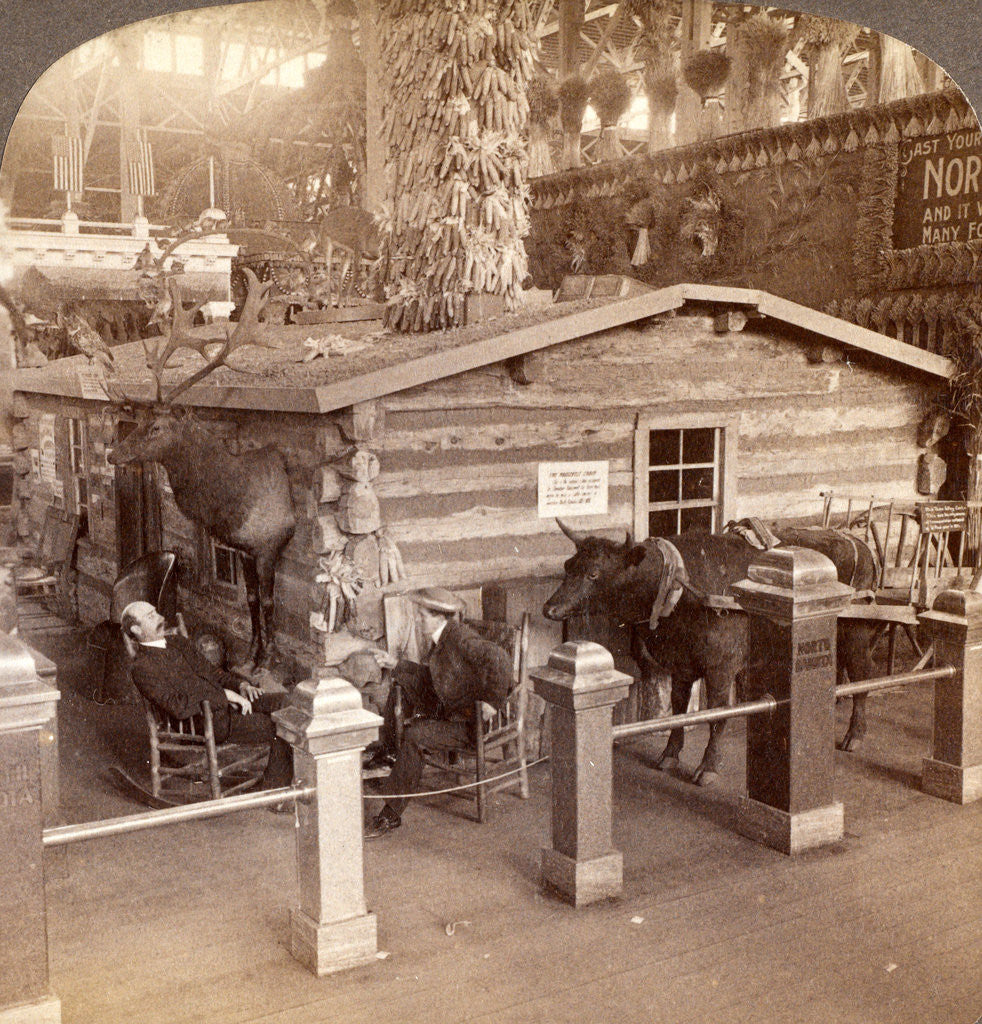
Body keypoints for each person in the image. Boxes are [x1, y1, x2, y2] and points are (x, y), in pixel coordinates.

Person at [365, 587, 514, 839]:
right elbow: (434, 676)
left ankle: (391, 814)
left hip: (468, 722)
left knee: (415, 735)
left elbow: (499, 658)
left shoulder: (458, 637)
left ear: (439, 617)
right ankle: (391, 753)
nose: (418, 620)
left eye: (423, 615)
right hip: (452, 705)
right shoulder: (442, 637)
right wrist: (396, 664)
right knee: (401, 681)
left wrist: (492, 701)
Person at [120, 600, 292, 791]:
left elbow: (213, 673)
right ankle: (273, 787)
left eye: (156, 612)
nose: (160, 618)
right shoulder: (142, 667)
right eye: (150, 617)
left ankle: (276, 779)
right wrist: (225, 696)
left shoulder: (178, 642)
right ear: (136, 629)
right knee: (282, 726)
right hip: (203, 721)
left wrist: (240, 685)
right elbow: (178, 706)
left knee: (286, 703)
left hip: (224, 705)